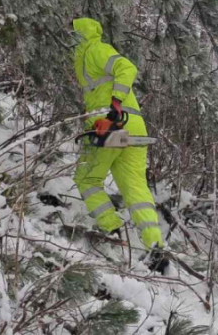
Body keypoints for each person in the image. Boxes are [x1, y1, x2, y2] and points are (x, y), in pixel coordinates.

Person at [70, 17, 168, 273]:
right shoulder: (86, 60)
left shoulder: (95, 50)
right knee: (136, 188)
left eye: (73, 35)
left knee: (87, 179)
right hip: (134, 129)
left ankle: (111, 228)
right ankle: (155, 246)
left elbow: (127, 68)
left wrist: (115, 104)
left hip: (113, 126)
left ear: (81, 35)